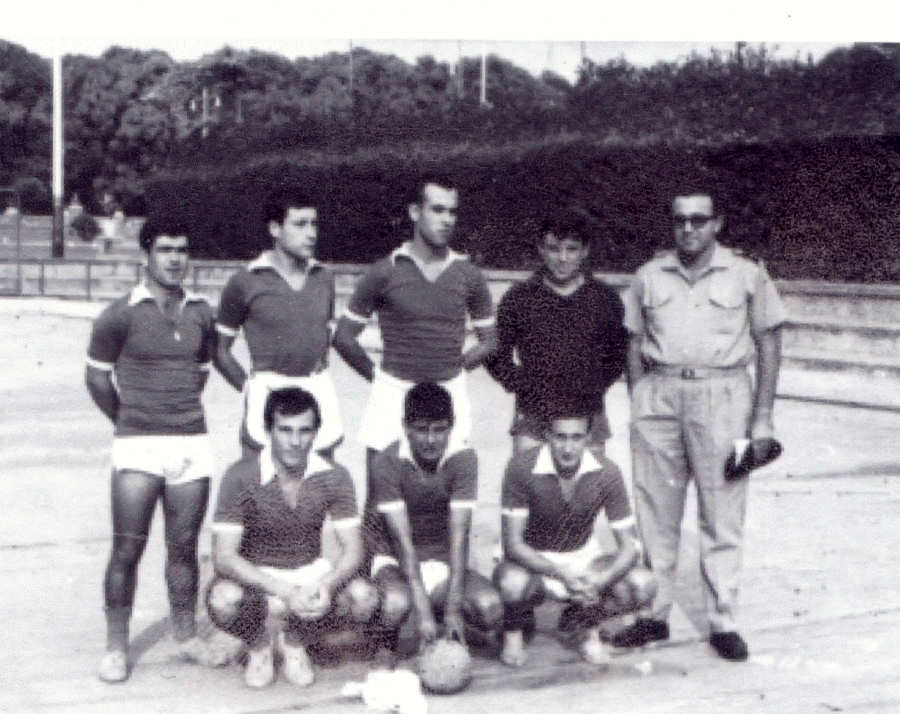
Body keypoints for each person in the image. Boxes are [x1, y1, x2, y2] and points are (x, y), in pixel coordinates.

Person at [614, 191, 786, 661]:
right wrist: (641, 398)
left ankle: (723, 621)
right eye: (680, 220)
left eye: (698, 220)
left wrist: (762, 417)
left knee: (722, 511)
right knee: (655, 511)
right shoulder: (649, 276)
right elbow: (633, 343)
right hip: (660, 394)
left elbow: (769, 343)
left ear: (717, 223)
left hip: (724, 396)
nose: (688, 228)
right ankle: (652, 615)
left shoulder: (747, 274)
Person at [86, 219, 227, 683]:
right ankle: (115, 647)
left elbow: (201, 371)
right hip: (138, 446)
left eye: (182, 250)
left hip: (190, 442)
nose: (175, 258)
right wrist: (129, 420)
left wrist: (174, 413)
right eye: (165, 249)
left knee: (183, 548)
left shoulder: (201, 313)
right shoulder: (119, 314)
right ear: (145, 255)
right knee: (127, 548)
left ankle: (186, 636)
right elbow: (97, 378)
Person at [206, 387, 378, 688]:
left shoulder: (334, 475)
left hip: (307, 573)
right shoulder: (240, 475)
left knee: (364, 597)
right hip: (259, 577)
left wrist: (326, 586)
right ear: (267, 431)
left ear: (316, 433)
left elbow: (353, 548)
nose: (295, 441)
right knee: (223, 600)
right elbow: (225, 557)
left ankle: (296, 642)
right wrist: (286, 592)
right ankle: (258, 644)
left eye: (304, 431)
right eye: (285, 430)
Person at [333, 175, 496, 475]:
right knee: (382, 492)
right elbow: (343, 337)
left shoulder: (468, 274)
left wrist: (457, 367)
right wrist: (378, 378)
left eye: (452, 211)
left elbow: (490, 340)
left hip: (448, 392)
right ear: (414, 212)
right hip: (392, 394)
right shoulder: (385, 271)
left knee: (445, 491)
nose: (447, 219)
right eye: (437, 209)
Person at [493, 413, 657, 667]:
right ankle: (514, 632)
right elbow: (513, 545)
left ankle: (582, 621)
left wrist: (601, 580)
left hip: (582, 557)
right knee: (511, 581)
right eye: (560, 437)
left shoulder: (607, 471)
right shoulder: (521, 467)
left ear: (588, 438)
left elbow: (630, 546)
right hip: (534, 560)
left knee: (643, 584)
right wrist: (560, 574)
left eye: (576, 437)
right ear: (547, 435)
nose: (568, 448)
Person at [363, 382, 503, 655]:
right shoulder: (385, 462)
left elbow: (460, 536)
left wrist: (453, 608)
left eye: (439, 430)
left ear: (452, 426)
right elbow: (401, 541)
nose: (431, 440)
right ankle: (383, 642)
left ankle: (442, 613)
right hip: (395, 559)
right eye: (421, 429)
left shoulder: (464, 458)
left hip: (442, 559)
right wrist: (422, 611)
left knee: (490, 608)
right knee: (395, 604)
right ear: (405, 427)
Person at [485, 207, 627, 455]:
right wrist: (523, 385)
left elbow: (617, 355)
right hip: (533, 414)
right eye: (553, 248)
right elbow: (496, 354)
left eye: (571, 249)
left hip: (587, 413)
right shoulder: (519, 298)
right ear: (540, 248)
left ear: (585, 250)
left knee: (590, 479)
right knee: (528, 475)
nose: (562, 258)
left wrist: (592, 385)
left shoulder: (605, 299)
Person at [215, 188, 343, 457]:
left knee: (322, 478)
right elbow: (220, 349)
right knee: (262, 479)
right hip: (269, 393)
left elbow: (323, 335)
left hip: (315, 391)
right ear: (275, 228)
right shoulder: (245, 281)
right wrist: (249, 388)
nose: (311, 233)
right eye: (300, 224)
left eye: (314, 224)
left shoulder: (324, 277)